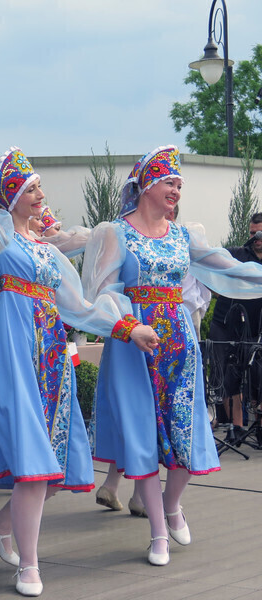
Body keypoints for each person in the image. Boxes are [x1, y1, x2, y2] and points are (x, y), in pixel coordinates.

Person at [0, 143, 158, 596]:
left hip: (50, 359)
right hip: (15, 355)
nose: (41, 193)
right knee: (33, 467)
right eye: (32, 187)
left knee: (51, 475)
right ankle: (29, 564)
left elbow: (80, 306)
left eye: (40, 186)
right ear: (12, 194)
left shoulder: (46, 252)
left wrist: (129, 328)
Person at [82, 145, 262, 568]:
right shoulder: (116, 232)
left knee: (186, 430)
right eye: (169, 181)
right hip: (133, 345)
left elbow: (229, 266)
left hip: (179, 343)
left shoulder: (183, 236)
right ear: (146, 184)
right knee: (141, 436)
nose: (176, 189)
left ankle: (172, 503)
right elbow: (99, 294)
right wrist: (129, 325)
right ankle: (158, 533)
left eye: (180, 183)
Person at [206, 212, 262, 444]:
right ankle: (236, 428)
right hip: (225, 324)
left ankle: (259, 428)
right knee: (229, 375)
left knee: (258, 375)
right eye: (252, 233)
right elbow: (209, 266)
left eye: (259, 233)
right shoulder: (236, 254)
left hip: (256, 327)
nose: (256, 237)